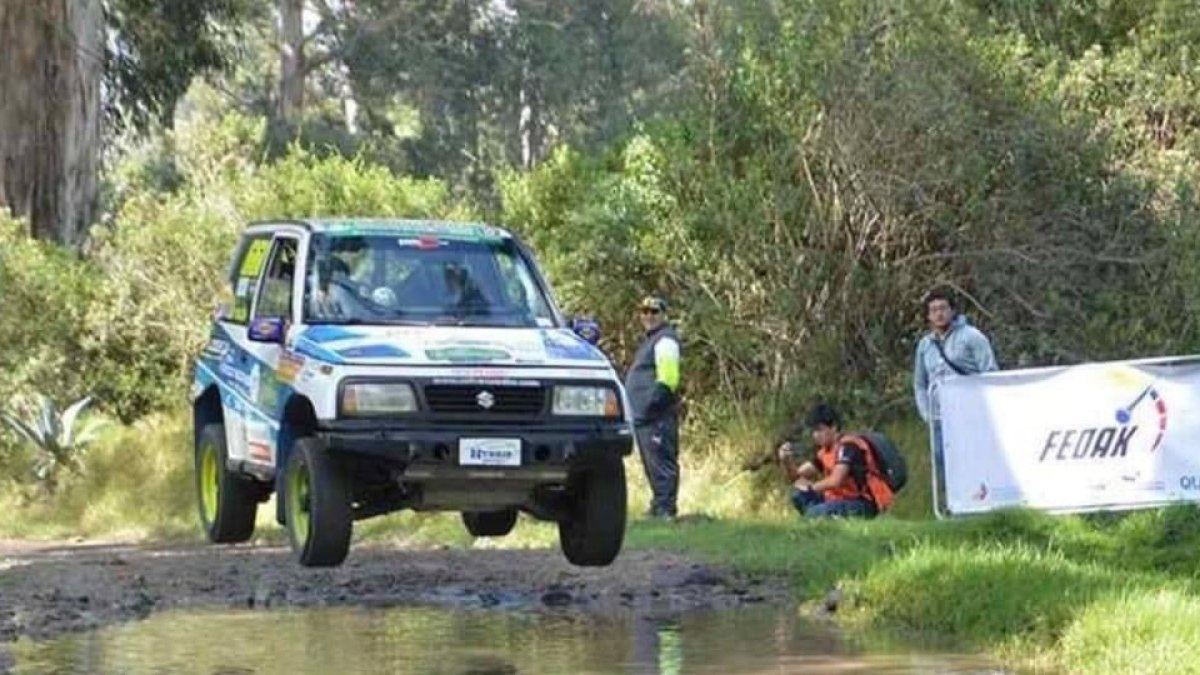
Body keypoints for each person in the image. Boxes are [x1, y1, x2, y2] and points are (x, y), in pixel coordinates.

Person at [912, 288, 998, 505]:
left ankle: (984, 501)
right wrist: (926, 414)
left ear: (952, 311)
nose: (939, 314)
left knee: (976, 461)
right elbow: (920, 383)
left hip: (971, 415)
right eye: (933, 310)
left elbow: (990, 372)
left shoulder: (972, 337)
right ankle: (953, 505)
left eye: (943, 308)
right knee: (944, 464)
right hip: (940, 418)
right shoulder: (925, 345)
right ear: (928, 316)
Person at [624, 295, 682, 519]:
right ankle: (658, 506)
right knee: (652, 463)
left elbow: (668, 380)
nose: (648, 316)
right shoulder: (652, 340)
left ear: (664, 314)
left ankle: (666, 510)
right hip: (644, 416)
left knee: (662, 462)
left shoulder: (665, 340)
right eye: (644, 311)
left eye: (654, 311)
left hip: (656, 415)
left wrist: (650, 407)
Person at [776, 403, 881, 519]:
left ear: (834, 427)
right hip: (837, 499)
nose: (816, 435)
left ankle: (815, 518)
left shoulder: (848, 446)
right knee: (798, 495)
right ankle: (817, 520)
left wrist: (811, 488)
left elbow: (836, 480)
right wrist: (786, 460)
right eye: (814, 431)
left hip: (860, 502)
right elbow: (796, 478)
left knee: (815, 512)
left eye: (820, 430)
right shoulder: (824, 452)